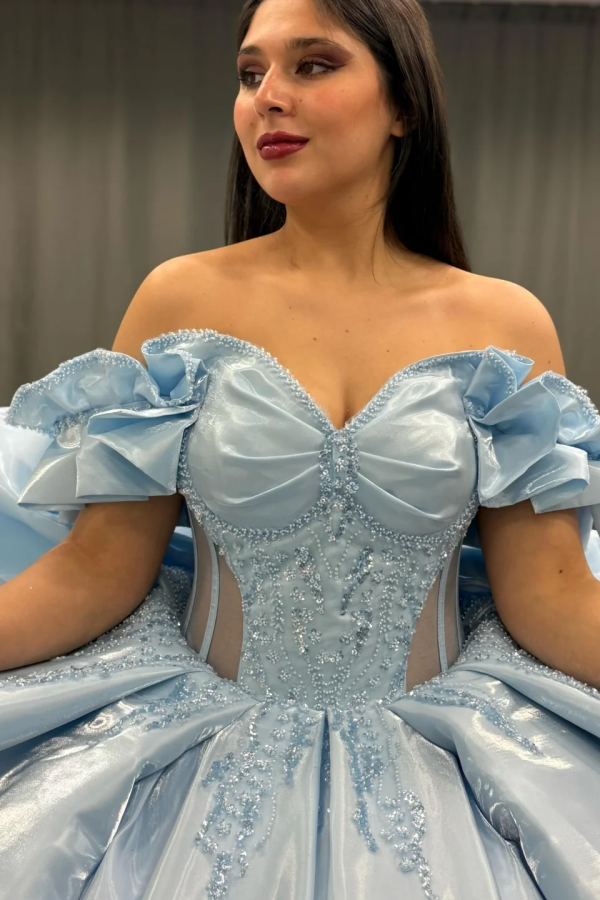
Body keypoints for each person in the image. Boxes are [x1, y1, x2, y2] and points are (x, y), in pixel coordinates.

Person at [1, 0, 600, 897]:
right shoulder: (179, 301)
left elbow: (549, 597)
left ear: (404, 104)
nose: (268, 98)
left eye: (312, 65)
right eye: (251, 74)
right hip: (194, 764)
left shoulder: (505, 325)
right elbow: (96, 572)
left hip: (441, 770)